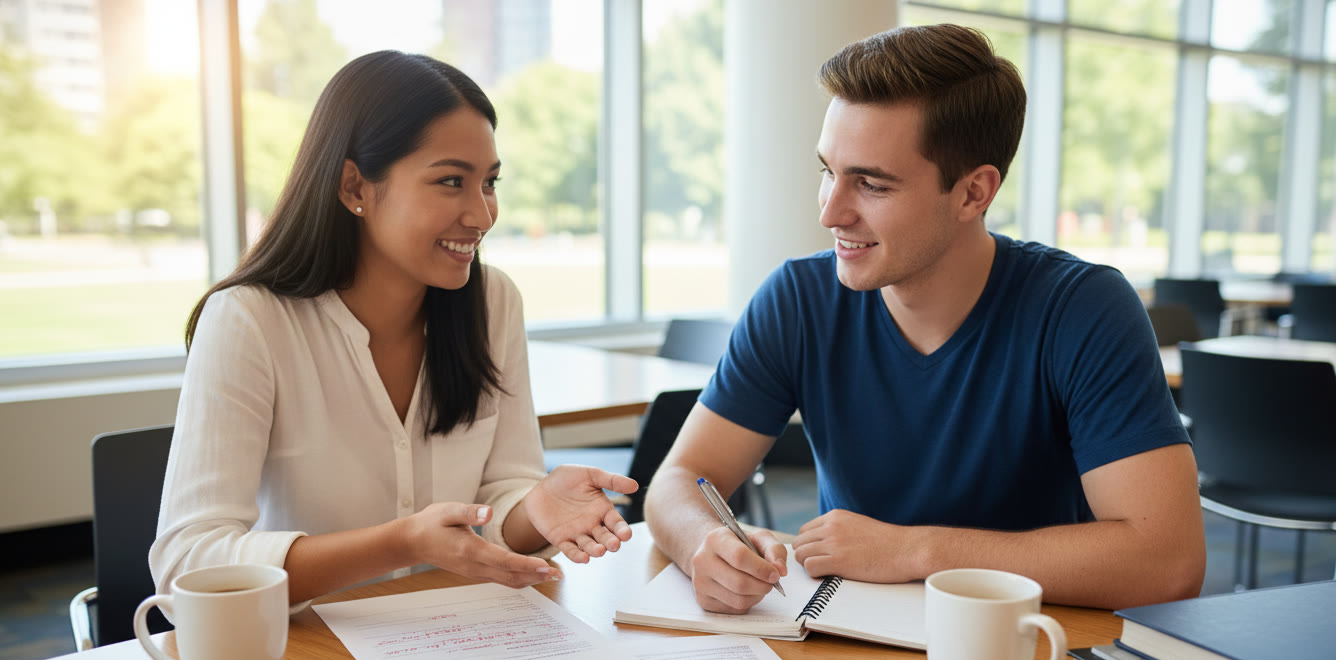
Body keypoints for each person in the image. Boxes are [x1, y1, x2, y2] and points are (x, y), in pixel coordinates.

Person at [644, 24, 1204, 614]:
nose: (832, 211)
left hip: (1022, 649)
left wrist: (915, 552)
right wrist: (703, 543)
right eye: (828, 171)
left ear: (973, 193)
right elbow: (682, 479)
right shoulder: (798, 298)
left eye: (872, 184)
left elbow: (1167, 560)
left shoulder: (1083, 308)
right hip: (846, 638)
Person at [151, 51, 637, 607]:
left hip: (454, 640)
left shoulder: (493, 301)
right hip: (308, 655)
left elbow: (501, 498)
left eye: (490, 183)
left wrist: (536, 509)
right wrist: (401, 542)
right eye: (451, 181)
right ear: (354, 187)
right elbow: (188, 561)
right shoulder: (249, 320)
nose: (482, 215)